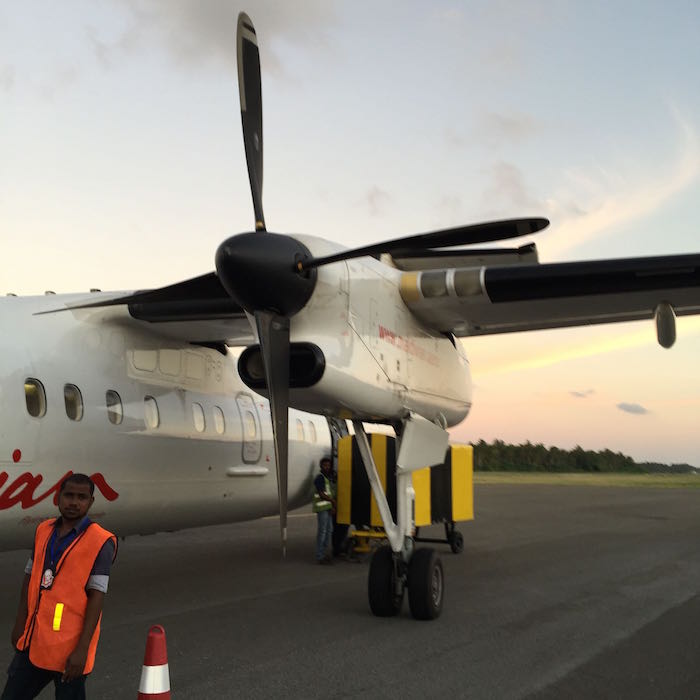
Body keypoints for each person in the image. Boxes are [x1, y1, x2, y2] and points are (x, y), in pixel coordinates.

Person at [2, 473, 117, 700]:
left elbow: (96, 597)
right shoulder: (43, 530)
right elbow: (30, 576)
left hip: (69, 651)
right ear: (58, 497)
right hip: (34, 642)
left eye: (82, 497)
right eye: (69, 495)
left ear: (91, 502)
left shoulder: (100, 541)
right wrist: (20, 623)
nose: (74, 502)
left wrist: (82, 650)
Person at [312, 457, 334, 564]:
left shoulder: (327, 478)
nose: (327, 467)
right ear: (321, 466)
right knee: (322, 531)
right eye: (325, 465)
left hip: (327, 508)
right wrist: (333, 502)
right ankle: (320, 556)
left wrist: (331, 506)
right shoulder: (320, 478)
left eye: (328, 465)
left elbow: (329, 492)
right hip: (322, 509)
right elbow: (321, 494)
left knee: (329, 531)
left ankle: (324, 554)